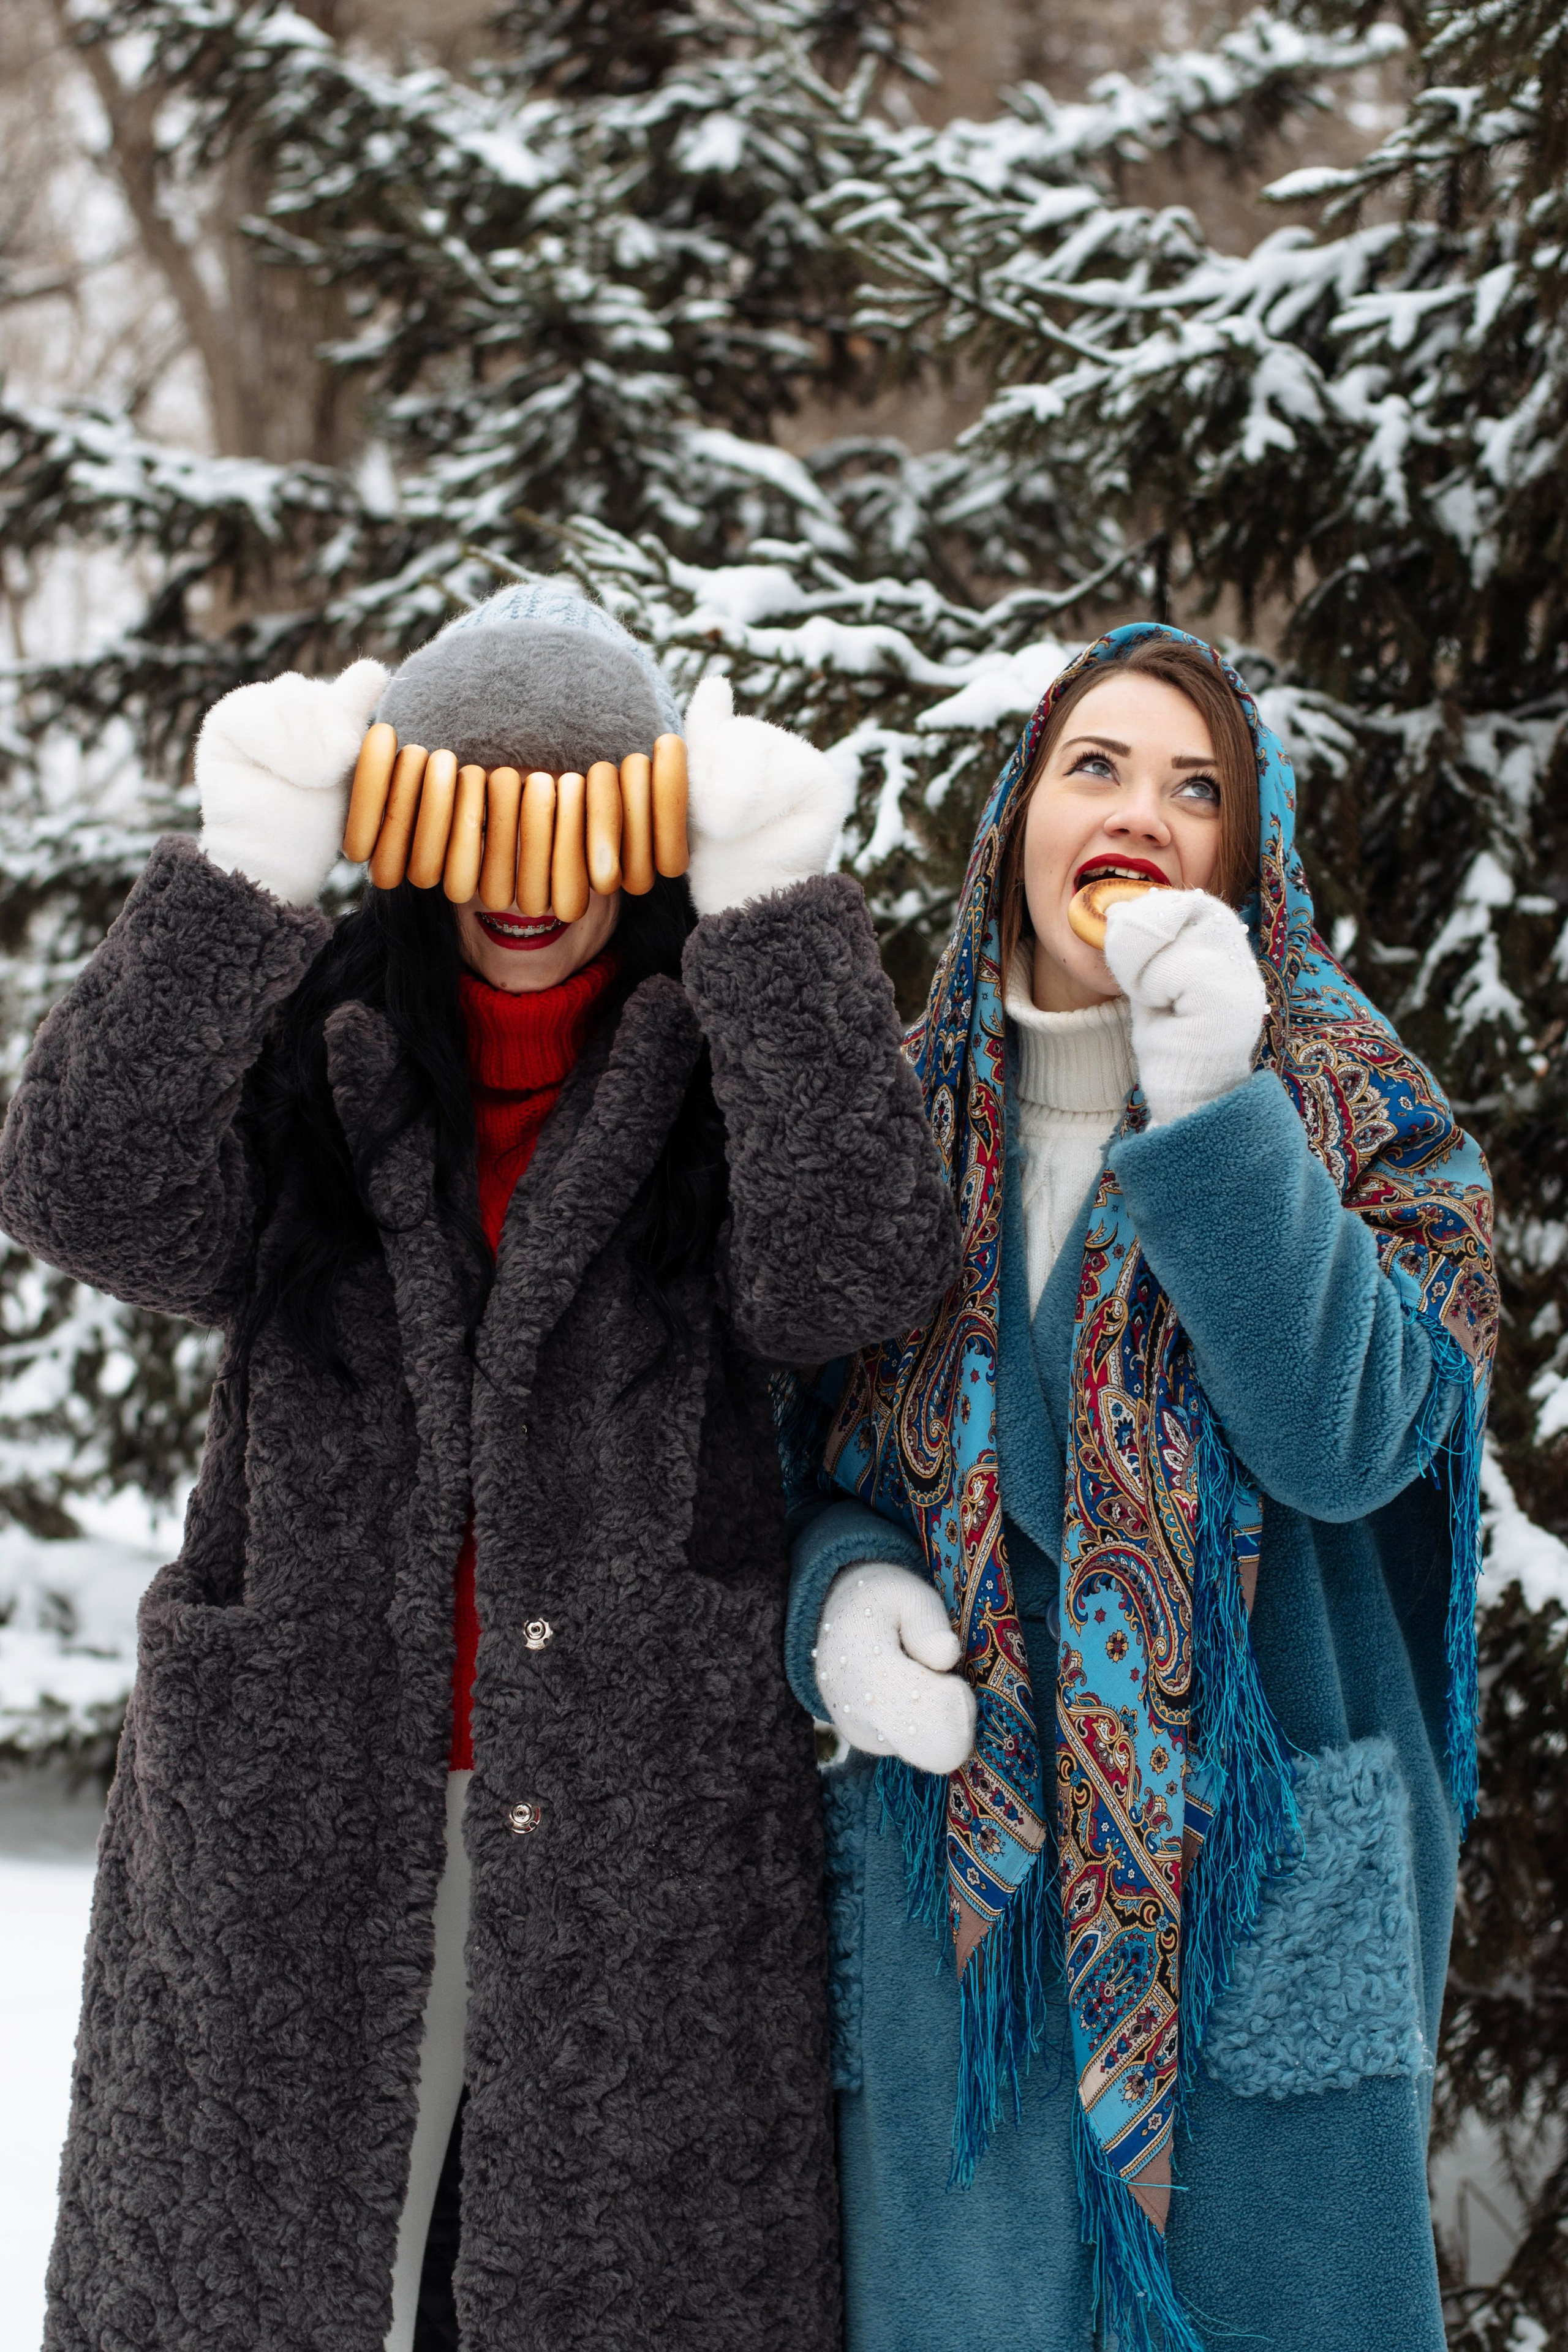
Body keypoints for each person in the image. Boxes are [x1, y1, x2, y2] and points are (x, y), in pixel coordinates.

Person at [0, 580, 960, 2352]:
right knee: (278, 2289)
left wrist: (788, 933)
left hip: (628, 1835)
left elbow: (856, 1272)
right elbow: (83, 1187)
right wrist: (233, 889)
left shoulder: (718, 1066)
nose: (531, 878)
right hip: (305, 1810)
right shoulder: (316, 1058)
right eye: (485, 814)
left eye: (577, 815)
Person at [781, 624, 1498, 2352]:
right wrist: (846, 1597)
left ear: (1246, 864)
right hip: (968, 1924)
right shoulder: (886, 1139)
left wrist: (1216, 1109)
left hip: (1267, 1909)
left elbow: (1352, 1437)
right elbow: (795, 1458)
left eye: (1199, 788)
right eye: (1096, 765)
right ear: (1019, 817)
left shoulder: (1366, 1124)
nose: (1144, 811)